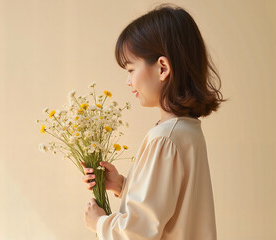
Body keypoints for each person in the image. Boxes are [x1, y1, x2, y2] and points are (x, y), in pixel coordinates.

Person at [82, 3, 228, 240]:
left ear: (162, 68)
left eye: (131, 69)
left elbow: (140, 233)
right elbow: (172, 206)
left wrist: (99, 223)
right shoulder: (186, 131)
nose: (129, 81)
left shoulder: (165, 139)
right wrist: (121, 184)